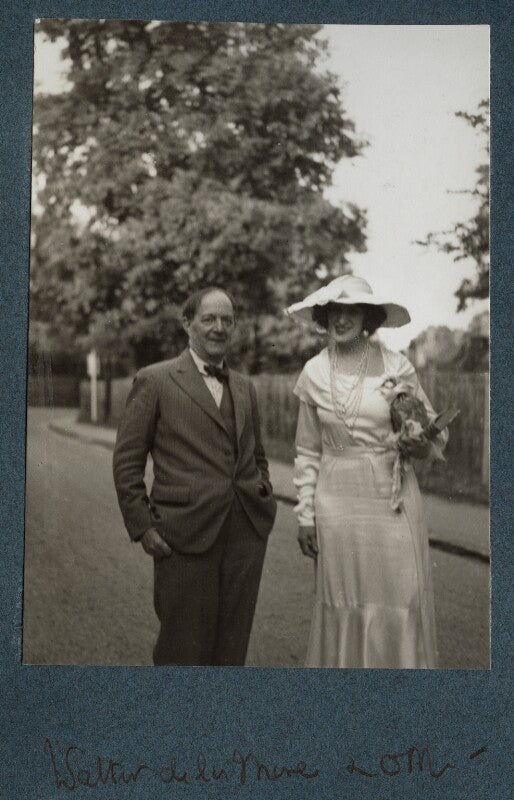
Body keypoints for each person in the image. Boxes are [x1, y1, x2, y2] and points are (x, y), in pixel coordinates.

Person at [285, 275, 448, 669]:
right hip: (337, 505)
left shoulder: (396, 365)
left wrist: (418, 443)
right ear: (324, 316)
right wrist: (305, 515)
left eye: (352, 310)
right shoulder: (313, 372)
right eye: (335, 311)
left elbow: (433, 434)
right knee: (344, 602)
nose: (342, 319)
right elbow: (307, 450)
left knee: (400, 597)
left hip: (390, 500)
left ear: (368, 317)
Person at [113, 287, 277, 666]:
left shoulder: (244, 386)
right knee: (181, 654)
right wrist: (142, 526)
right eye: (209, 319)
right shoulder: (154, 380)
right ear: (188, 324)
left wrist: (261, 494)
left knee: (231, 653)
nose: (219, 328)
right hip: (183, 536)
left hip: (243, 536)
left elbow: (257, 456)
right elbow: (126, 462)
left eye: (227, 320)